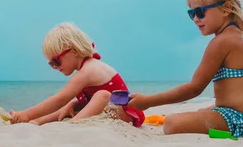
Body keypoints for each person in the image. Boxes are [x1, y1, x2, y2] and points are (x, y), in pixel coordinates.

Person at [127, 0, 243, 138]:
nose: (195, 19)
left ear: (227, 8)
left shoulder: (221, 42)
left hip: (236, 122)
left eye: (200, 12)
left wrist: (148, 101)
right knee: (203, 111)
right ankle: (227, 126)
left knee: (171, 123)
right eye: (191, 13)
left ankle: (227, 135)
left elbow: (194, 88)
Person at [9, 23, 145, 127]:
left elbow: (59, 99)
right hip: (111, 110)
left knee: (101, 96)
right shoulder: (87, 67)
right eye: (51, 64)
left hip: (126, 114)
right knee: (70, 105)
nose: (55, 67)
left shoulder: (87, 71)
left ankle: (72, 124)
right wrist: (75, 103)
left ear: (73, 51)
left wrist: (26, 114)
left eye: (56, 61)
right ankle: (37, 121)